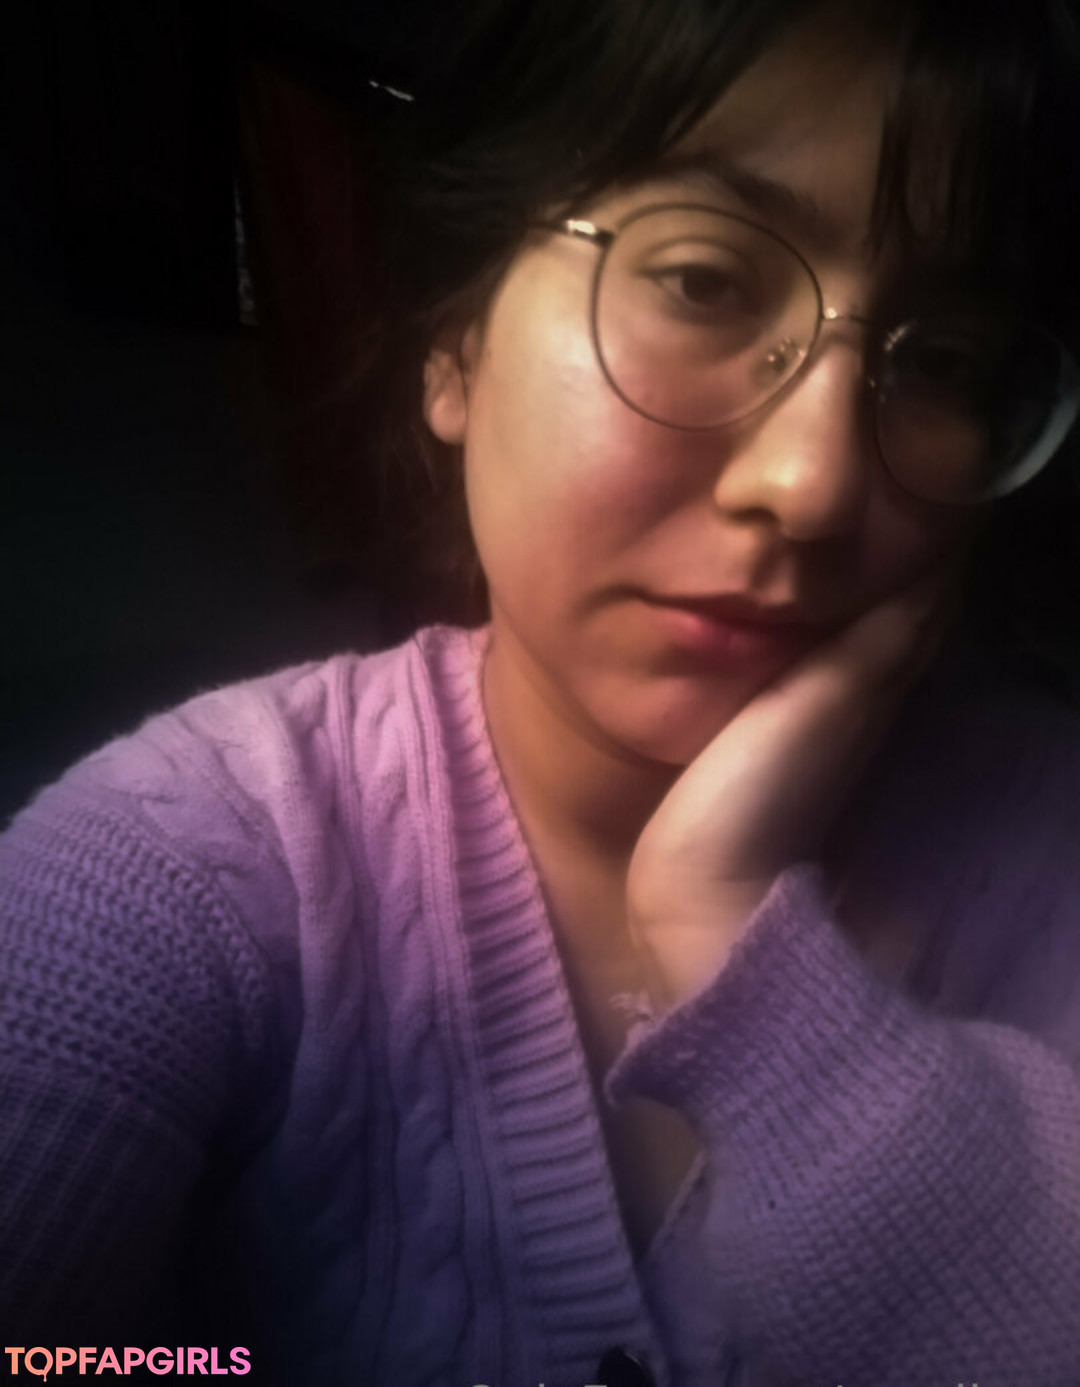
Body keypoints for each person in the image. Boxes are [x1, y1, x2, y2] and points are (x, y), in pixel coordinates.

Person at [3, 1, 1080, 1384]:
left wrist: (727, 931)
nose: (813, 485)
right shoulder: (186, 861)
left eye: (944, 362)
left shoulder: (1054, 846)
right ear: (455, 345)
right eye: (702, 280)